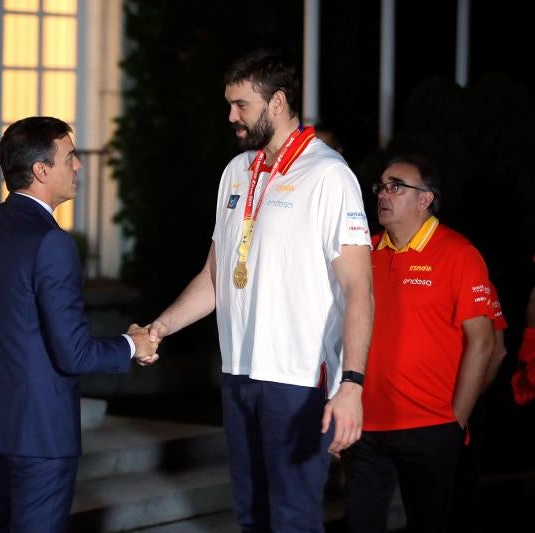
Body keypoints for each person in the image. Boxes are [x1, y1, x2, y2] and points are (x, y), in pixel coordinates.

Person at [147, 48, 374, 532]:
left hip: (296, 378)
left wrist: (351, 384)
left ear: (277, 103)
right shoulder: (236, 172)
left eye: (241, 105)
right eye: (229, 105)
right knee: (251, 516)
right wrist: (159, 328)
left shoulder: (328, 175)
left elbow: (360, 289)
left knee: (292, 519)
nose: (231, 116)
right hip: (239, 372)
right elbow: (216, 275)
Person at [0, 116, 159, 533]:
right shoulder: (52, 242)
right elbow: (73, 352)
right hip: (40, 432)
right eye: (70, 157)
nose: (79, 166)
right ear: (41, 171)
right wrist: (131, 345)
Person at [343, 155, 496, 533]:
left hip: (431, 427)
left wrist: (455, 420)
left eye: (396, 186)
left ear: (426, 199)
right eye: (381, 186)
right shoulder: (363, 253)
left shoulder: (458, 253)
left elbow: (485, 343)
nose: (383, 194)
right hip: (364, 426)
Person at [448, 282, 507, 532]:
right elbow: (498, 351)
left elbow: (495, 350)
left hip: (452, 406)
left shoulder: (475, 281)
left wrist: (472, 393)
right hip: (456, 405)